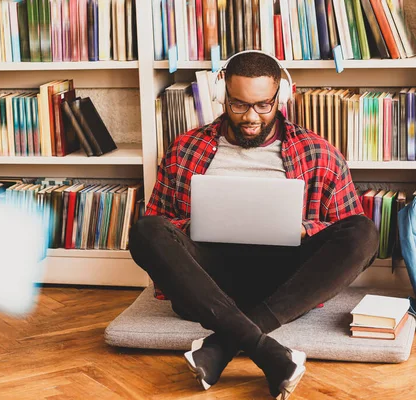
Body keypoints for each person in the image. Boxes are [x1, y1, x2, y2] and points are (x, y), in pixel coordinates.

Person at [128, 51, 379, 399]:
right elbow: (160, 222)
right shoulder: (186, 148)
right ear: (222, 95)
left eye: (263, 105)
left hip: (285, 279)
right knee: (145, 230)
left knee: (364, 231)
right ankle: (269, 352)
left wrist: (305, 229)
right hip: (210, 279)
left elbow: (344, 231)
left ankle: (222, 343)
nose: (250, 116)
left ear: (282, 96)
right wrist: (198, 223)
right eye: (238, 104)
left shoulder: (319, 152)